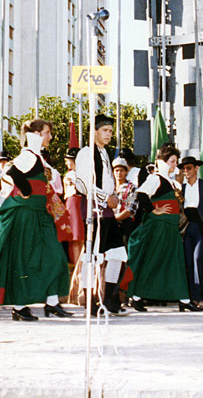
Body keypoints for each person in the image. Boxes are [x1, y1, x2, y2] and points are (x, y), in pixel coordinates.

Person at [0, 119, 72, 321]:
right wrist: (25, 189)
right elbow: (9, 171)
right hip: (26, 216)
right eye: (47, 132)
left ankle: (52, 303)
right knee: (24, 260)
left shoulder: (38, 157)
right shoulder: (28, 155)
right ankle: (20, 307)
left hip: (40, 216)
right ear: (37, 134)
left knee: (55, 256)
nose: (50, 137)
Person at [123, 143, 201, 312]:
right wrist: (154, 210)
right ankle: (136, 296)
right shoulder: (155, 178)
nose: (175, 165)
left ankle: (184, 299)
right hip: (159, 228)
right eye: (173, 161)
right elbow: (141, 194)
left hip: (170, 228)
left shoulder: (169, 181)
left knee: (176, 262)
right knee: (154, 261)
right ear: (163, 162)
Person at [75, 114, 127, 315]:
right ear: (94, 131)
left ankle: (110, 300)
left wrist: (112, 196)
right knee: (92, 255)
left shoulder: (104, 153)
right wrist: (107, 198)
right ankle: (90, 301)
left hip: (106, 211)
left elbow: (106, 181)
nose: (109, 134)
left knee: (117, 253)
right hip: (93, 209)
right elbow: (82, 184)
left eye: (111, 131)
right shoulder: (86, 153)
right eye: (105, 130)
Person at [179, 155, 203, 307]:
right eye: (184, 168)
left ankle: (199, 295)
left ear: (196, 169)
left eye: (189, 168)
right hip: (187, 227)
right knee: (188, 260)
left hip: (201, 226)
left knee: (198, 258)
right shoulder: (181, 188)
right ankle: (189, 296)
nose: (186, 171)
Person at [62, 147, 85, 265]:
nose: (66, 163)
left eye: (68, 160)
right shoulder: (70, 175)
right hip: (73, 204)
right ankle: (77, 266)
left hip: (81, 203)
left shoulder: (84, 173)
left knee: (81, 237)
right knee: (75, 237)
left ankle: (81, 265)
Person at [113, 156, 138, 247]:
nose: (119, 173)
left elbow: (130, 209)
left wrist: (115, 218)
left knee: (125, 252)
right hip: (110, 225)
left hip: (125, 226)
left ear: (126, 172)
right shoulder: (109, 188)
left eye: (122, 170)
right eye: (117, 170)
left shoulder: (131, 187)